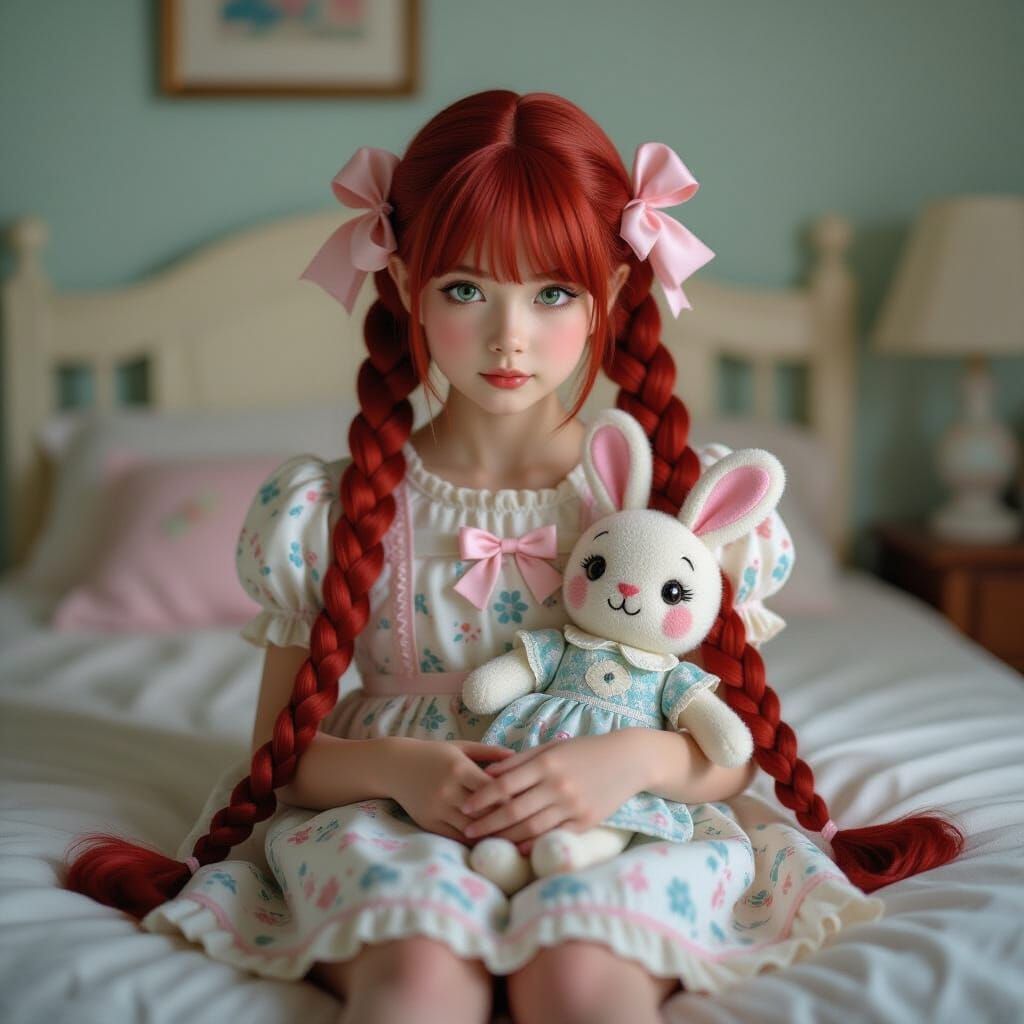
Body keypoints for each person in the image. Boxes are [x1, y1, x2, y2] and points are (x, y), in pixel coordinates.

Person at [67, 89, 962, 1024]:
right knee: (414, 984)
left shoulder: (670, 510)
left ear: (611, 294)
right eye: (465, 288)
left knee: (584, 980)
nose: (509, 336)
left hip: (622, 822)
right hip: (393, 819)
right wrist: (404, 772)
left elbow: (724, 758)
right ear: (406, 280)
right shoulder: (329, 511)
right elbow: (281, 759)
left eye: (552, 293)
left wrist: (626, 761)